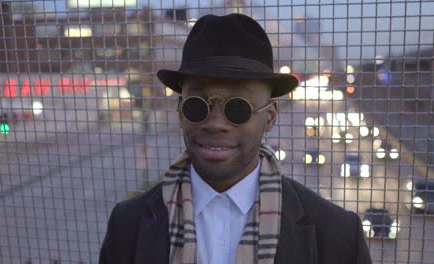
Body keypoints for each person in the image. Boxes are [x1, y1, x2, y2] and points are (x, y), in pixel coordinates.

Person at [99, 13, 372, 264]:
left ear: (270, 116)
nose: (216, 123)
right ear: (180, 110)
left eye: (238, 107)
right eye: (197, 104)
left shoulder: (337, 234)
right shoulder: (127, 225)